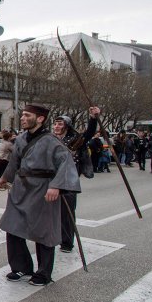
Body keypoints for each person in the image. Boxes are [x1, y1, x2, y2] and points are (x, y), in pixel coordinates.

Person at [0, 104, 80, 287]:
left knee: (44, 232)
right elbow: (14, 163)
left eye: (27, 115)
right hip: (20, 188)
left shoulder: (52, 141)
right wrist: (4, 178)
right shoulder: (20, 139)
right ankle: (21, 267)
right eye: (22, 115)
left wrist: (56, 186)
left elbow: (66, 164)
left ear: (40, 118)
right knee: (12, 226)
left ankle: (43, 273)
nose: (23, 118)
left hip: (43, 190)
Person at [51, 106, 100, 253]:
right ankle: (51, 237)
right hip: (52, 181)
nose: (56, 126)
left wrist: (93, 118)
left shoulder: (74, 140)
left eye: (60, 124)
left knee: (67, 214)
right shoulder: (50, 139)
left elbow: (89, 133)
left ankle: (66, 243)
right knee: (50, 212)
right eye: (55, 124)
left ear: (67, 126)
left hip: (69, 182)